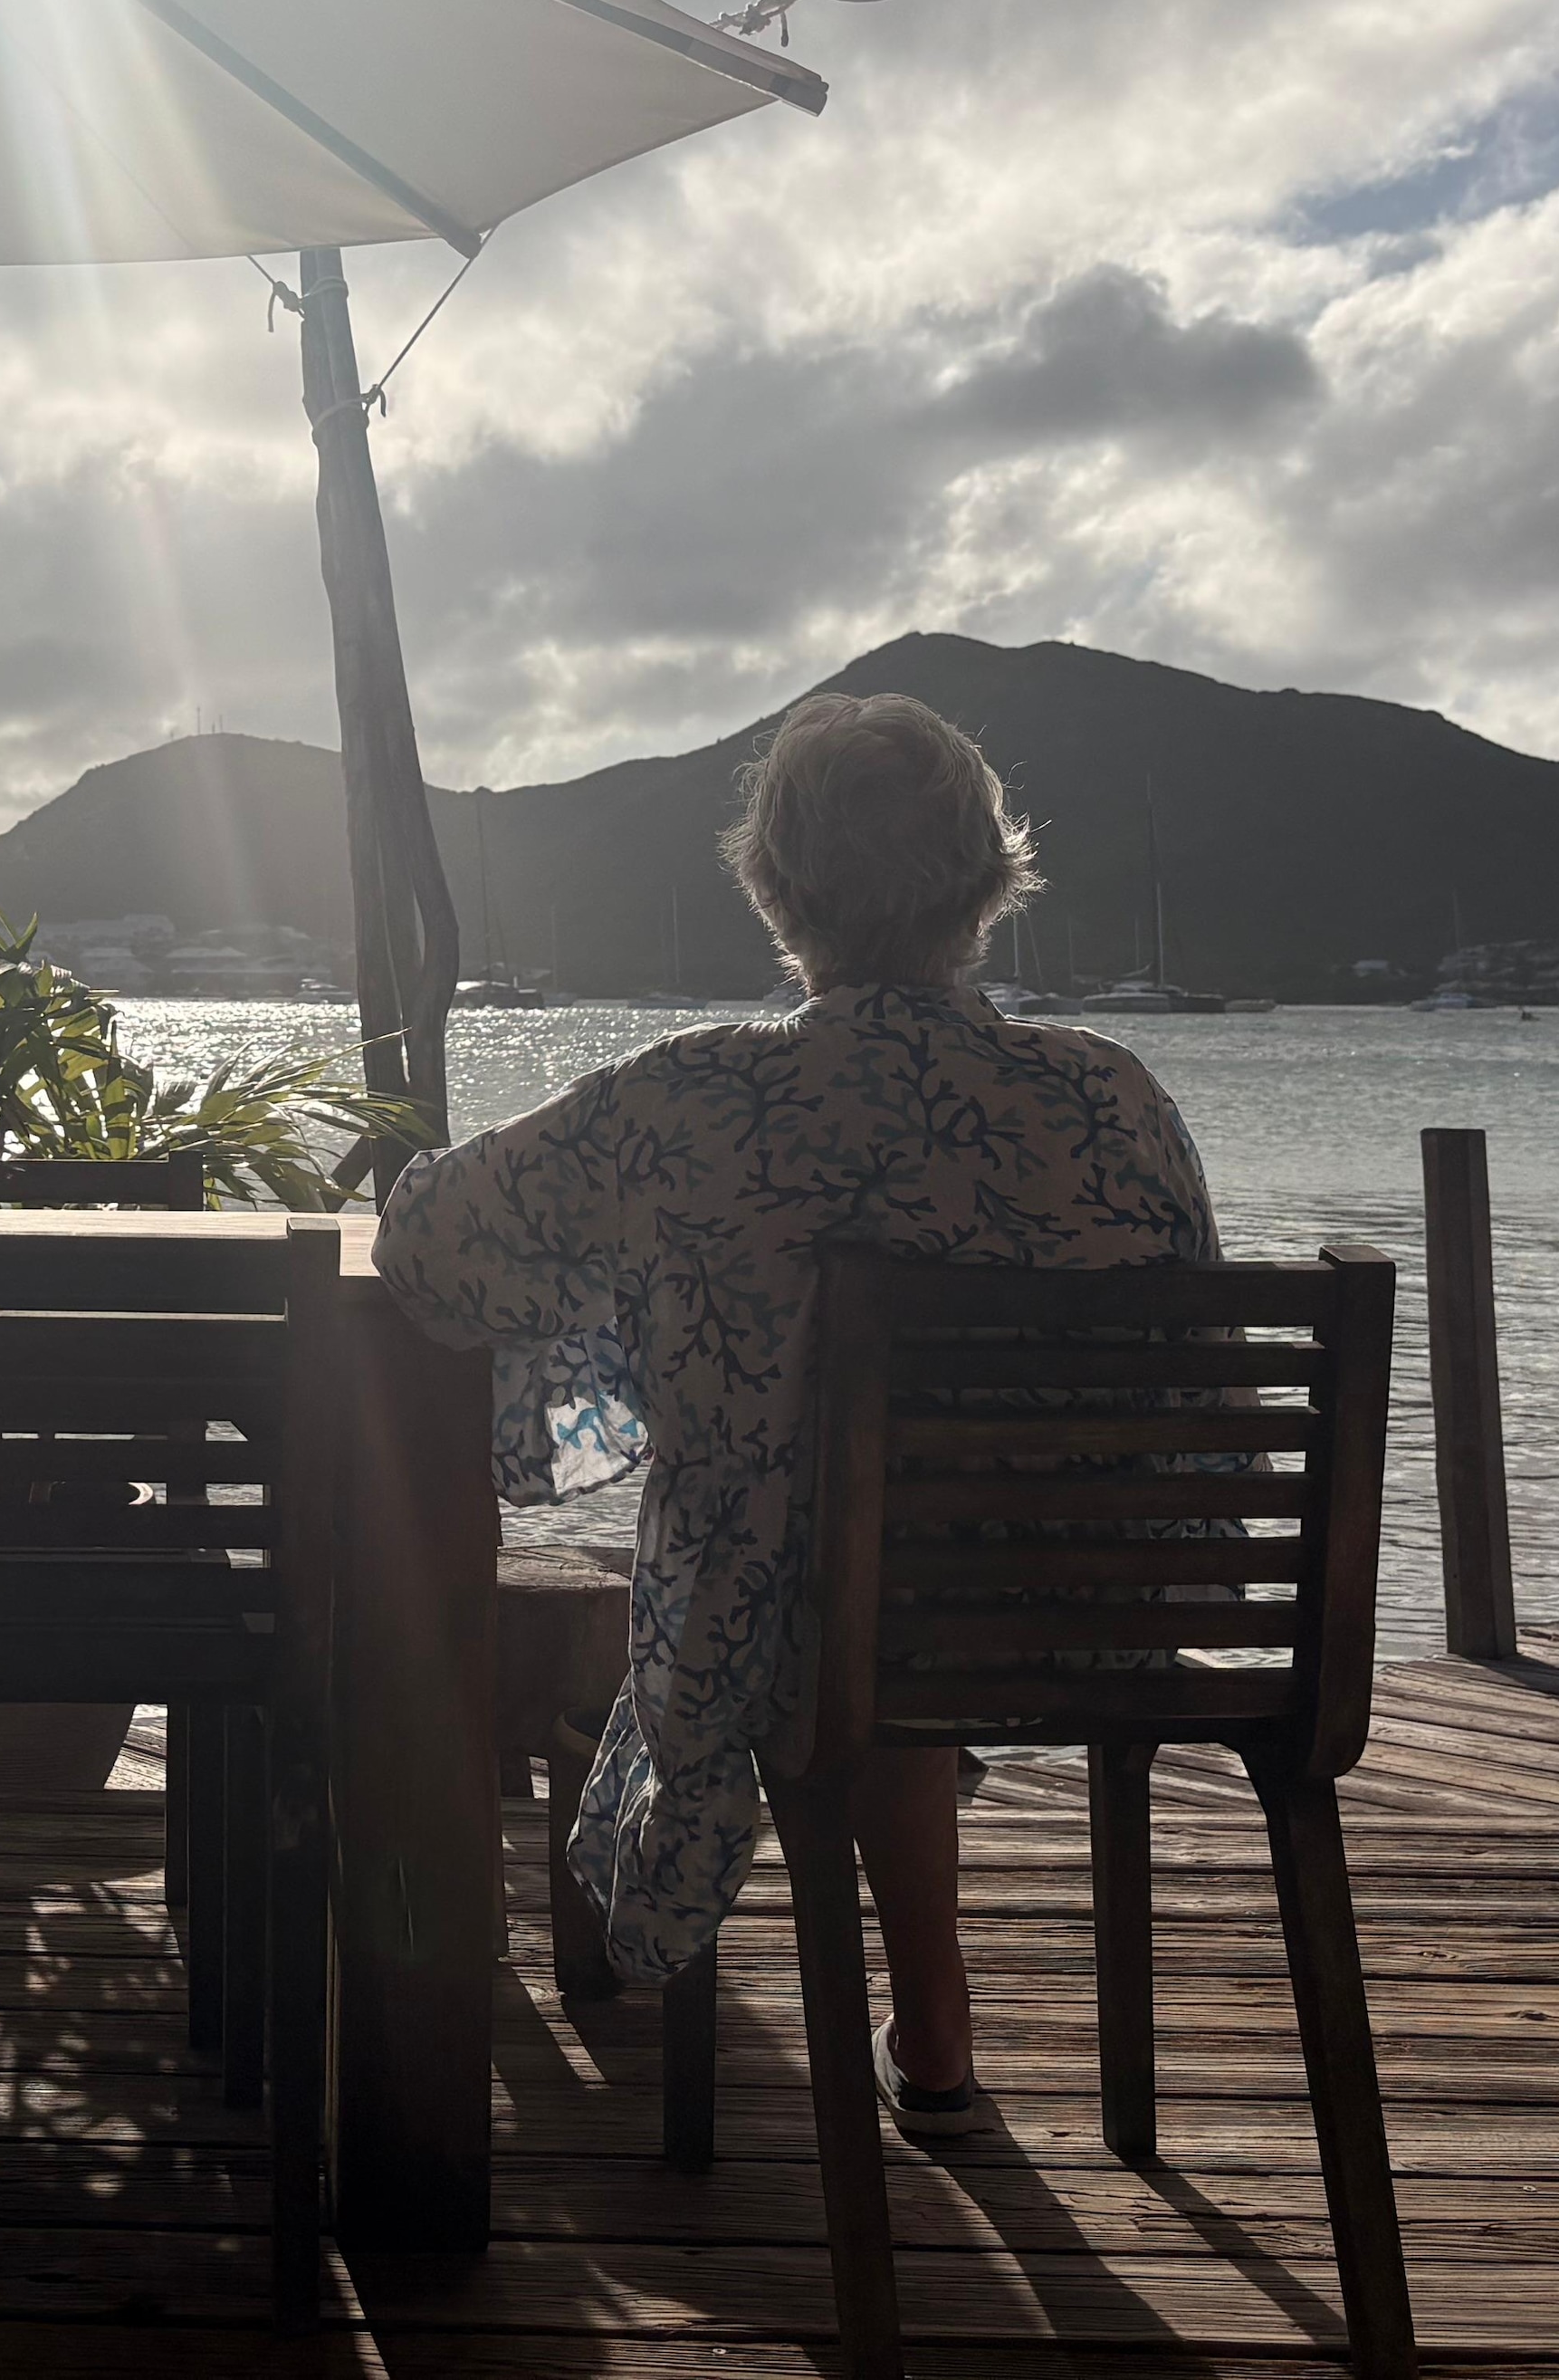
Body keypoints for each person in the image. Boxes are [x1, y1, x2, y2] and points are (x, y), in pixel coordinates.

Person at [374, 690, 1219, 2136]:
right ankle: (934, 2017)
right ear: (986, 879)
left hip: (800, 1621)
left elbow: (430, 1244)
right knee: (882, 1551)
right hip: (1088, 1611)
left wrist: (623, 1293)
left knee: (818, 1554)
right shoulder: (1113, 1099)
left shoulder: (700, 1099)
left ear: (775, 888)